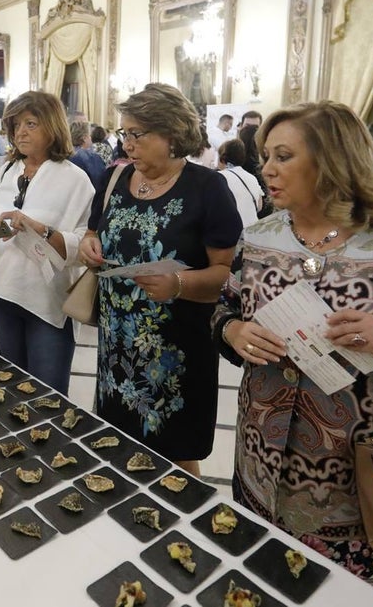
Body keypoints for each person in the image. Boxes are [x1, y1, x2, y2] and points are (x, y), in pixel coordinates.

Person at [211, 101, 373, 592]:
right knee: (262, 583)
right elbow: (225, 310)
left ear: (333, 161)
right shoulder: (259, 238)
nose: (266, 168)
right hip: (260, 462)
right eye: (265, 155)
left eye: (284, 156)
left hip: (361, 484)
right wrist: (233, 332)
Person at [78, 84, 242, 476]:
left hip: (176, 349)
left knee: (176, 455)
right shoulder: (114, 180)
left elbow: (226, 273)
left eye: (137, 134)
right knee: (119, 441)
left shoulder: (207, 188)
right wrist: (89, 245)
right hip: (117, 344)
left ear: (170, 135)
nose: (128, 144)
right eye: (124, 134)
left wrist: (179, 285)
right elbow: (92, 231)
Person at [0, 91, 95, 393]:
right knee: (13, 387)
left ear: (52, 127)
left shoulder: (74, 179)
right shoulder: (9, 171)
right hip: (2, 289)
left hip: (45, 298)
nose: (20, 132)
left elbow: (84, 248)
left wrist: (36, 227)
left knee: (48, 394)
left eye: (31, 124)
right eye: (16, 125)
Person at [216, 138, 263, 227]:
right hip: (252, 230)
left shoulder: (217, 178)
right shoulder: (252, 178)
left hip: (230, 231)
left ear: (222, 157)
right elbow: (259, 206)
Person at [67, 120, 106, 188]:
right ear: (84, 138)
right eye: (89, 136)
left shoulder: (63, 155)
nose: (91, 138)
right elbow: (100, 181)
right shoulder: (92, 158)